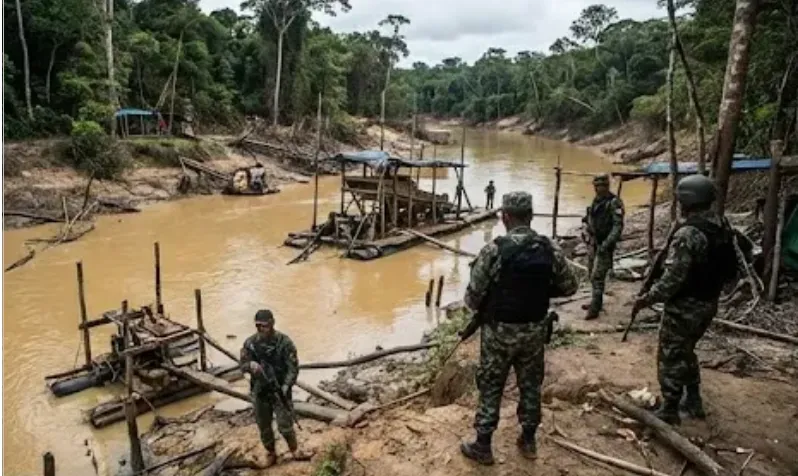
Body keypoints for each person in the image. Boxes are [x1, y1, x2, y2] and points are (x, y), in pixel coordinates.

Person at [460, 191, 579, 465]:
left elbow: (472, 298)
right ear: (531, 215)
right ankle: (528, 440)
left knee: (491, 384)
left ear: (505, 216)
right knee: (530, 384)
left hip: (499, 332)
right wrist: (538, 292)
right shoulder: (548, 248)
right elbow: (570, 286)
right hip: (534, 330)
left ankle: (483, 445)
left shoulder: (494, 249)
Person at [632, 174, 738, 425]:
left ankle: (670, 407)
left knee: (670, 355)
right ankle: (693, 400)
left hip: (686, 305)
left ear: (687, 201)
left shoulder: (688, 234)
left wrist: (647, 299)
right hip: (708, 303)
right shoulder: (721, 225)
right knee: (687, 350)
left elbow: (673, 279)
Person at [240, 310, 304, 465]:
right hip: (260, 391)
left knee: (285, 425)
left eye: (265, 326)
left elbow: (293, 368)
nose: (262, 329)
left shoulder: (284, 342)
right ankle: (271, 453)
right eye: (258, 326)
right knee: (264, 425)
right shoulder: (250, 344)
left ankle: (295, 450)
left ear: (272, 323)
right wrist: (250, 365)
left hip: (280, 390)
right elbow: (242, 365)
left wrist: (286, 385)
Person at [582, 173, 624, 320]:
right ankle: (596, 301)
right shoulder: (597, 201)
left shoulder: (614, 202)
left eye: (601, 186)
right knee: (591, 274)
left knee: (597, 276)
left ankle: (595, 308)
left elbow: (617, 227)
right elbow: (591, 218)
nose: (598, 189)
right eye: (596, 186)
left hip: (604, 244)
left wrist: (607, 244)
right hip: (594, 242)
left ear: (606, 186)